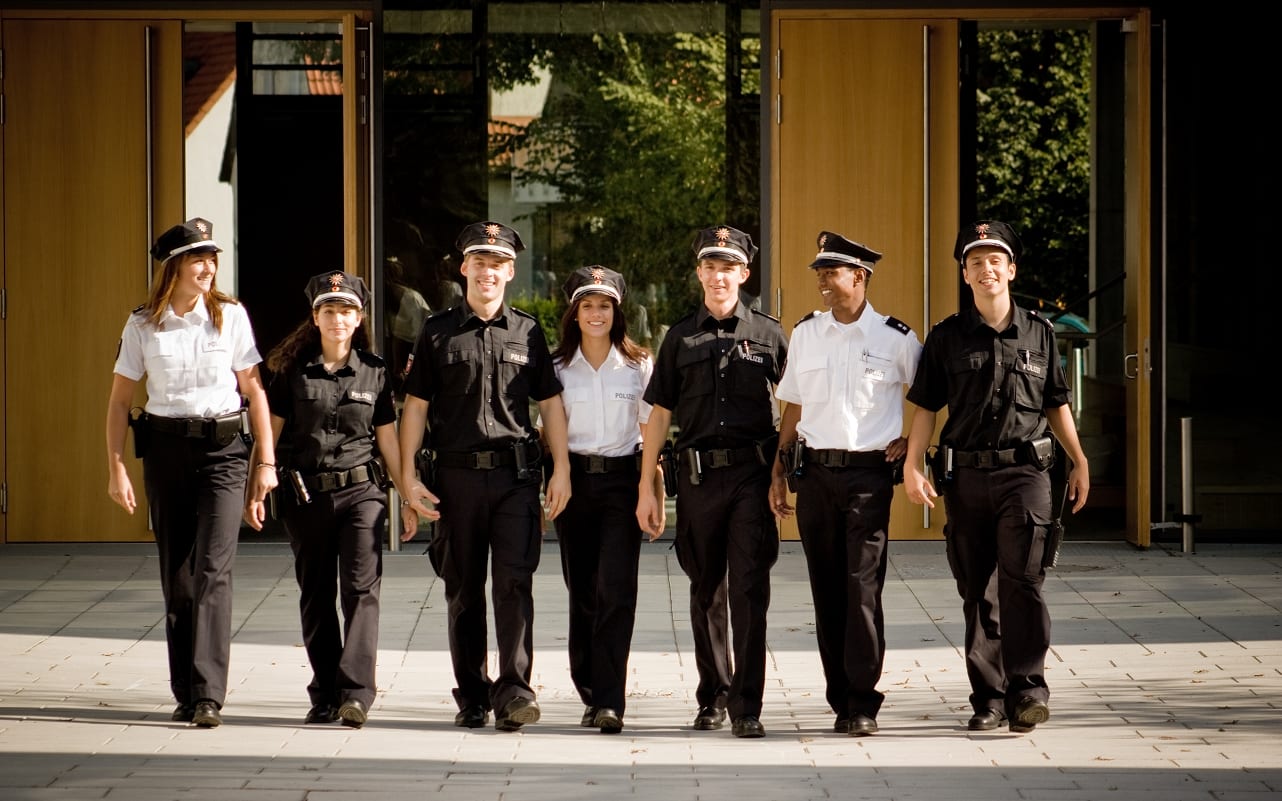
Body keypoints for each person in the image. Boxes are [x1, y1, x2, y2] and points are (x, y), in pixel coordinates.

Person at [902, 220, 1090, 734]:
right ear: (965, 273)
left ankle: (1027, 689)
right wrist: (912, 464)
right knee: (977, 588)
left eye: (995, 259)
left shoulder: (1040, 333)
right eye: (975, 261)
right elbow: (924, 407)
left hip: (1026, 474)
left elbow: (1056, 403)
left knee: (1024, 580)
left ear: (1011, 269)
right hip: (964, 478)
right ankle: (988, 698)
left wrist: (1079, 458)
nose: (986, 268)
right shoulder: (946, 337)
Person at [398, 221, 572, 732]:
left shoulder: (529, 331)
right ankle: (472, 695)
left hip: (516, 478)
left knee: (514, 586)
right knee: (463, 590)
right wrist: (407, 478)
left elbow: (551, 406)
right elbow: (414, 409)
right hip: (454, 481)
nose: (488, 271)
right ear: (464, 268)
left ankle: (515, 691)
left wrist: (560, 469)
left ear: (510, 271)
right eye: (480, 261)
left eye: (498, 263)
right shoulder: (435, 330)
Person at [105, 217, 277, 728]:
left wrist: (264, 462)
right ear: (173, 267)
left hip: (223, 453)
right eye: (198, 258)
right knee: (177, 575)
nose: (208, 266)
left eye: (212, 258)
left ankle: (208, 693)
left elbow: (254, 391)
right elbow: (119, 402)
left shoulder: (230, 315)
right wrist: (115, 466)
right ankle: (186, 688)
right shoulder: (142, 324)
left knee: (213, 571)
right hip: (165, 452)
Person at [242, 271, 417, 728]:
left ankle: (356, 693)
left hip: (363, 495)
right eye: (330, 310)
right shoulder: (290, 372)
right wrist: (256, 487)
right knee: (316, 595)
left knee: (362, 591)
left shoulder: (376, 372)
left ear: (359, 318)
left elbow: (389, 443)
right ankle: (324, 691)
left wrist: (407, 495)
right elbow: (270, 436)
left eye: (347, 310)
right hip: (307, 498)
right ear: (315, 317)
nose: (339, 318)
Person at [768, 231, 922, 737]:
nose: (821, 283)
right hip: (814, 475)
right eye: (818, 274)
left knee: (861, 588)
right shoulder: (807, 334)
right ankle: (840, 697)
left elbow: (927, 398)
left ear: (860, 277)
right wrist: (777, 467)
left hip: (867, 478)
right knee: (827, 591)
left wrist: (911, 443)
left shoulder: (896, 338)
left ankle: (863, 700)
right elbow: (793, 403)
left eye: (829, 274)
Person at [636, 224, 788, 739]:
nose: (718, 275)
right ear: (699, 273)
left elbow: (796, 407)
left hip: (752, 474)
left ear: (744, 273)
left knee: (749, 589)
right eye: (710, 266)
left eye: (729, 267)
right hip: (698, 479)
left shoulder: (769, 334)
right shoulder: (679, 337)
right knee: (706, 590)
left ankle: (747, 705)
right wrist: (646, 483)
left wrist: (783, 471)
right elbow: (658, 415)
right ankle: (713, 695)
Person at [548, 265, 660, 735]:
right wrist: (557, 476)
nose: (596, 313)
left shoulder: (639, 364)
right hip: (574, 483)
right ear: (574, 313)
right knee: (583, 593)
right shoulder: (555, 368)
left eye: (605, 305)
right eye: (588, 305)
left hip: (621, 483)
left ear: (618, 311)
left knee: (617, 591)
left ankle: (611, 700)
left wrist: (649, 489)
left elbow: (649, 430)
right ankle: (589, 691)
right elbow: (548, 429)